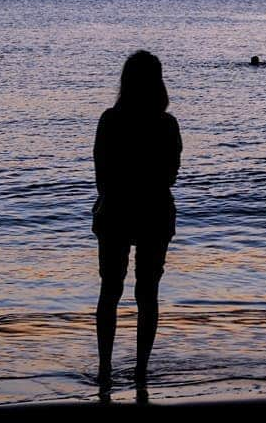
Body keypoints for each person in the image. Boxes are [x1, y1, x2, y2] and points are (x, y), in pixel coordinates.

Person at [93, 50, 182, 392]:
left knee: (110, 291)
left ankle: (104, 370)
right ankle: (141, 370)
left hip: (115, 210)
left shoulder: (110, 120)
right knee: (147, 294)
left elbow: (102, 174)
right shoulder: (165, 123)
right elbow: (171, 174)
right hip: (154, 212)